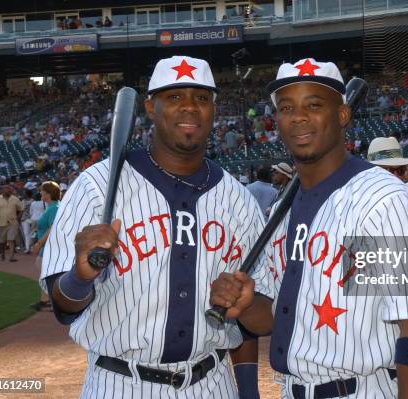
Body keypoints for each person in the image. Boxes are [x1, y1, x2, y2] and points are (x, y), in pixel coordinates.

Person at [210, 58, 408, 398]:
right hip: (291, 388)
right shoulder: (282, 212)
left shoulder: (384, 202)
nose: (299, 117)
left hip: (360, 389)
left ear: (343, 115)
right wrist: (246, 305)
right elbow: (273, 319)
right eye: (287, 107)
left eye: (314, 105)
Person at [39, 56, 271, 398]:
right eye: (175, 97)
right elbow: (63, 307)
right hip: (120, 383)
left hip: (211, 383)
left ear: (213, 110)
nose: (190, 108)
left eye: (201, 98)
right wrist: (80, 276)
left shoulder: (239, 200)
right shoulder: (96, 186)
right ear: (150, 107)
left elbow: (252, 314)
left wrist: (248, 392)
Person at [31, 181, 61, 311]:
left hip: (49, 246)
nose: (40, 192)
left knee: (49, 274)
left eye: (42, 190)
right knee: (45, 273)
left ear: (48, 193)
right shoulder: (50, 206)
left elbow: (52, 228)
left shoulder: (54, 207)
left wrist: (39, 243)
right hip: (46, 246)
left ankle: (55, 301)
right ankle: (45, 300)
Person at [0, 185, 23, 262]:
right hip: (0, 223)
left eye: (9, 189)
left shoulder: (15, 199)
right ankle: (2, 254)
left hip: (12, 223)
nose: (9, 191)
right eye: (7, 189)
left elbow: (21, 209)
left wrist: (18, 218)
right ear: (2, 191)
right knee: (1, 241)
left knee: (11, 239)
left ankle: (11, 257)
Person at [20, 189, 34, 254]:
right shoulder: (23, 201)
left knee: (30, 233)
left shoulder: (33, 201)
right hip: (25, 219)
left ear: (27, 194)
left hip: (31, 218)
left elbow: (22, 210)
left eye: (24, 193)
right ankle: (28, 248)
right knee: (27, 234)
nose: (23, 194)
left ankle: (30, 248)